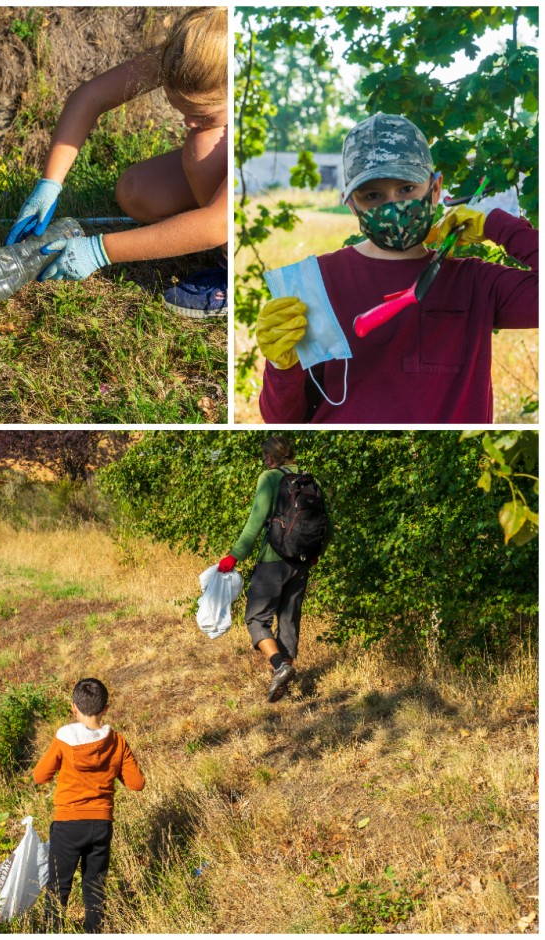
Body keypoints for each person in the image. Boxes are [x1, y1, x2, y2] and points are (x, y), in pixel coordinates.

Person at [257, 112, 538, 423]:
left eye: (406, 189)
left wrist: (499, 226)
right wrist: (282, 367)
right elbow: (283, 422)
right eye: (373, 196)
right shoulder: (316, 284)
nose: (393, 207)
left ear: (435, 189)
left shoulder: (476, 282)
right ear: (352, 205)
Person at [5, 7, 227, 319]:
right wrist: (49, 184)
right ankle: (202, 239)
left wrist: (99, 251)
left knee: (203, 146)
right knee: (137, 191)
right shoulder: (190, 53)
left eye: (202, 114)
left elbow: (219, 222)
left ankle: (236, 270)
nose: (187, 123)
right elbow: (91, 97)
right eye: (181, 110)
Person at [216, 436, 331, 702]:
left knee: (256, 619)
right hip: (302, 561)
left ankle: (280, 666)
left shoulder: (269, 477)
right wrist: (315, 555)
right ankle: (283, 680)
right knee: (289, 620)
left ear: (270, 457)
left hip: (273, 559)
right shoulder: (312, 480)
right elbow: (329, 525)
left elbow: (255, 521)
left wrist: (235, 556)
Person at [33, 677, 145, 933]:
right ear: (105, 708)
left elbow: (39, 776)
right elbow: (137, 783)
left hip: (68, 824)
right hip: (101, 825)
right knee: (95, 887)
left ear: (74, 707)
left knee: (58, 888)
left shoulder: (64, 738)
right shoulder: (117, 742)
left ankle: (51, 932)